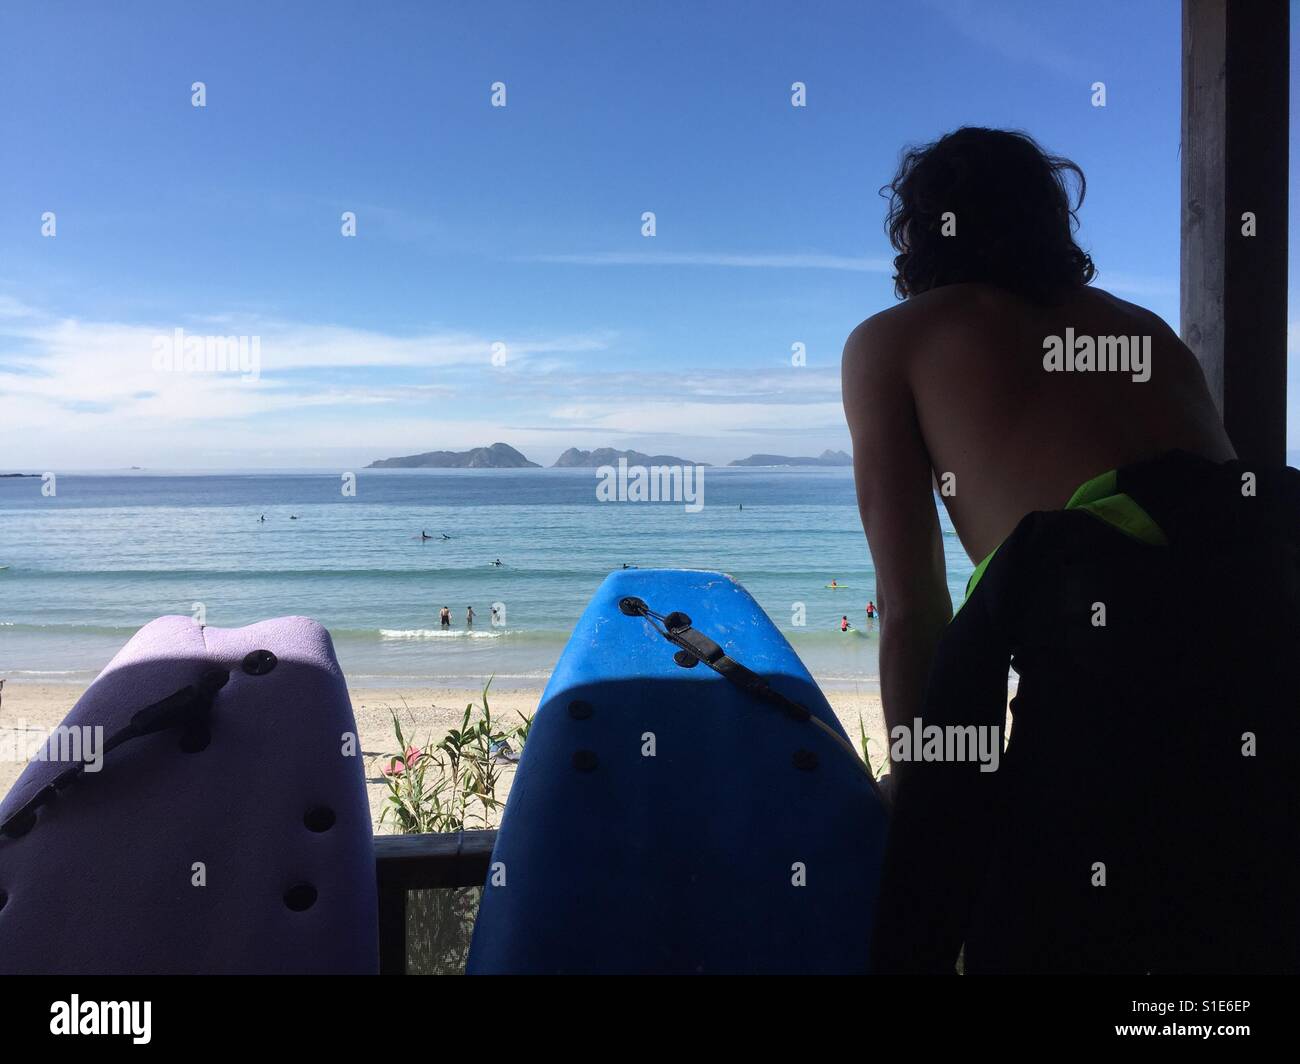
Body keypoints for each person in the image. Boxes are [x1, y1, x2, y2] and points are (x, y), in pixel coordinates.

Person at [843, 127, 1299, 974]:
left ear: (918, 232)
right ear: (1054, 221)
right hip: (1274, 654)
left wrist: (919, 786)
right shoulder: (1148, 332)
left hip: (1112, 680)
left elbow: (914, 607)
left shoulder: (892, 340)